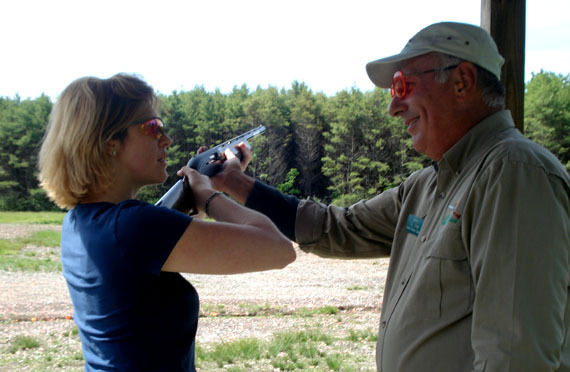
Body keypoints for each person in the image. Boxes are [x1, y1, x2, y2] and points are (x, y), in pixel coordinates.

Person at [207, 22, 570, 371]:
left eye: (401, 86)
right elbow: (335, 228)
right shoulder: (427, 185)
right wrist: (235, 182)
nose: (393, 107)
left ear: (462, 82)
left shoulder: (514, 172)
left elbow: (515, 356)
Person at [37, 73, 296, 371]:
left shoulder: (82, 221)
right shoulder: (133, 226)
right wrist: (210, 193)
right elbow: (279, 249)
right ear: (110, 143)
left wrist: (211, 183)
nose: (166, 139)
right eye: (153, 127)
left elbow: (176, 239)